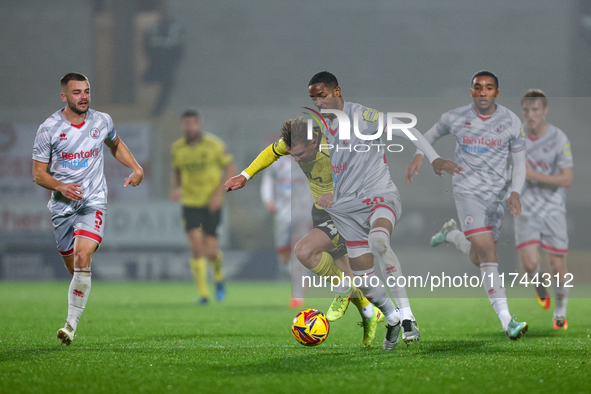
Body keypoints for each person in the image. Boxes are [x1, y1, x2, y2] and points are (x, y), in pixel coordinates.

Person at [305, 71, 463, 350]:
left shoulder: (362, 117)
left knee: (379, 240)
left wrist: (434, 158)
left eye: (323, 95)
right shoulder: (320, 126)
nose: (318, 102)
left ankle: (407, 318)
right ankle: (390, 317)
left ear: (337, 91)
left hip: (379, 196)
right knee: (365, 283)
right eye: (313, 98)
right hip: (348, 210)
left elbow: (405, 129)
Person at [225, 120, 383, 348]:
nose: (295, 159)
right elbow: (269, 153)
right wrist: (245, 175)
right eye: (291, 154)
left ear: (314, 141)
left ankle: (395, 315)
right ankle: (370, 312)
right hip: (321, 211)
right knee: (349, 273)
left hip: (347, 211)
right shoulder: (293, 144)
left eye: (299, 154)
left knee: (306, 252)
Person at [407, 70, 529, 340]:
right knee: (487, 252)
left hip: (497, 196)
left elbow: (520, 162)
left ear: (496, 92)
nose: (483, 92)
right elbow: (424, 136)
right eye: (477, 87)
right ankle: (508, 321)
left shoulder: (510, 121)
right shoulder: (455, 117)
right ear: (471, 91)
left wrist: (516, 192)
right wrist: (426, 157)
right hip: (467, 193)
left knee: (479, 256)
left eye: (489, 87)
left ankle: (451, 235)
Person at [32, 72, 144, 346]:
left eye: (87, 91)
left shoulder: (102, 120)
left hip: (93, 201)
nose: (84, 97)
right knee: (75, 268)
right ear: (64, 96)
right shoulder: (48, 128)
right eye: (77, 92)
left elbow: (114, 143)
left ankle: (70, 326)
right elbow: (38, 174)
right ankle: (78, 296)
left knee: (83, 259)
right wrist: (60, 186)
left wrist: (136, 167)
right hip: (62, 207)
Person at [515, 90, 573, 329]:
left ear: (545, 110)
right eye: (527, 110)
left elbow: (567, 179)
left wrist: (534, 175)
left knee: (558, 266)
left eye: (536, 109)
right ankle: (539, 285)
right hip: (526, 209)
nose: (531, 114)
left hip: (553, 210)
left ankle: (560, 312)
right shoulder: (516, 136)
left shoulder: (559, 138)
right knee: (529, 265)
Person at [171, 110, 236, 305]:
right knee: (196, 248)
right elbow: (177, 171)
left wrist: (219, 194)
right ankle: (204, 294)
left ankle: (218, 275)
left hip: (211, 203)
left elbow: (230, 169)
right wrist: (176, 188)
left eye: (193, 123)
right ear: (183, 125)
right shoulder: (177, 148)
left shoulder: (215, 145)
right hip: (190, 203)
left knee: (211, 252)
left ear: (199, 124)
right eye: (186, 124)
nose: (190, 127)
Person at [260, 155, 312, 308]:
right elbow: (267, 182)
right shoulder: (277, 164)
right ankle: (301, 278)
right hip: (282, 213)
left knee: (299, 252)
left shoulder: (309, 161)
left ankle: (297, 296)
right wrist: (268, 200)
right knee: (283, 257)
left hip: (303, 213)